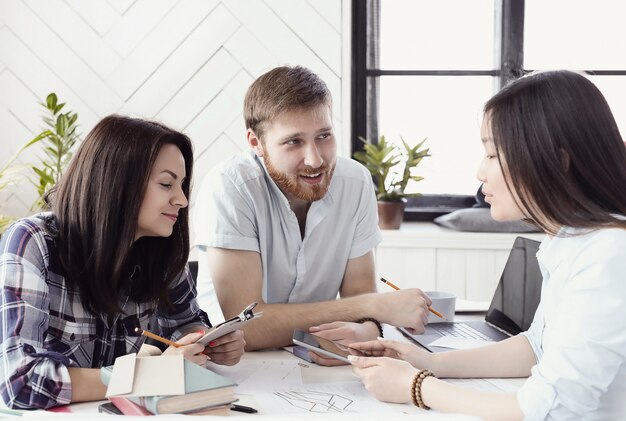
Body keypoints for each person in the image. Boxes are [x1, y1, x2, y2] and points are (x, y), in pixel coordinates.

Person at [349, 70, 626, 420]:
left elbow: (555, 407)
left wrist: (417, 387)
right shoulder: (571, 241)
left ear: (557, 161)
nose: (480, 173)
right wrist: (429, 362)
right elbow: (537, 347)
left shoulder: (608, 254)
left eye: (493, 155)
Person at [0, 115, 245, 410]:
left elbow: (184, 322)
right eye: (166, 184)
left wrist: (209, 342)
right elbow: (20, 382)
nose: (181, 199)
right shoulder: (34, 241)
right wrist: (146, 375)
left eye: (181, 185)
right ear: (117, 182)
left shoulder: (160, 250)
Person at [194, 65, 431, 356]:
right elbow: (247, 327)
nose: (315, 159)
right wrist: (373, 307)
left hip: (315, 356)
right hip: (234, 363)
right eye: (294, 141)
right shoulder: (231, 186)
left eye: (323, 136)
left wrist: (365, 333)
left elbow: (360, 296)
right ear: (257, 143)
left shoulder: (355, 182)